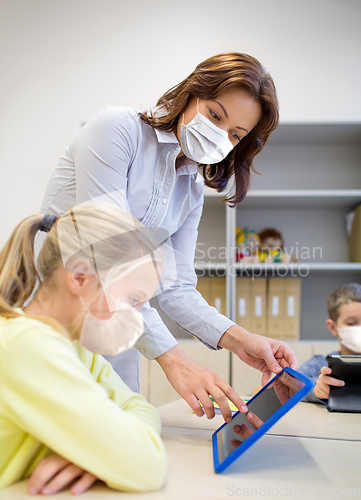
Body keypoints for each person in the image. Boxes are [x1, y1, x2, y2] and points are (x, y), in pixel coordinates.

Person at [39, 52, 297, 421]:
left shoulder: (189, 190)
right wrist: (175, 361)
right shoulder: (116, 130)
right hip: (49, 319)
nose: (220, 135)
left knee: (125, 439)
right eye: (214, 115)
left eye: (234, 134)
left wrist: (242, 341)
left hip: (116, 330)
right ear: (193, 92)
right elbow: (108, 256)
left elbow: (175, 290)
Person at [0, 202, 167, 495]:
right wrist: (112, 454)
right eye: (132, 299)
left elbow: (140, 408)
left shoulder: (78, 348)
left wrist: (95, 456)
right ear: (80, 277)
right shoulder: (28, 346)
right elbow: (147, 466)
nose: (137, 318)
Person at [298, 283, 361, 403]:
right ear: (333, 327)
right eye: (352, 323)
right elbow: (291, 386)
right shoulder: (320, 364)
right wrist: (315, 389)